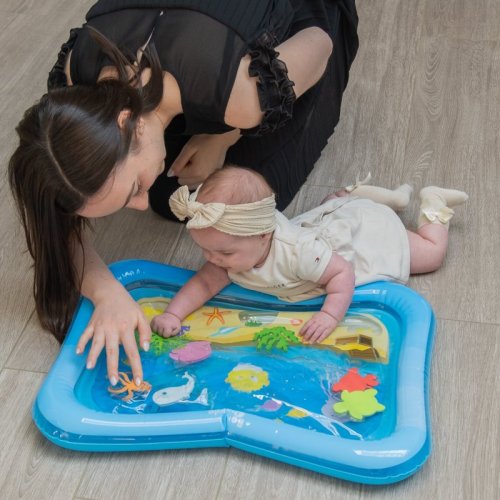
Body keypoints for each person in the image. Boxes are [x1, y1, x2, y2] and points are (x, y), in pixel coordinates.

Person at [8, 0, 359, 386]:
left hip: (309, 21)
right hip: (194, 54)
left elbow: (319, 42)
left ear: (128, 124)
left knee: (247, 199)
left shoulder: (241, 95)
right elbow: (58, 222)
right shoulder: (75, 85)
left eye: (134, 189)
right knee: (174, 195)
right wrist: (106, 291)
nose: (140, 204)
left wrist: (229, 131)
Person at [151, 166, 468, 342]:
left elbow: (342, 272)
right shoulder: (228, 252)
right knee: (332, 208)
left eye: (223, 252)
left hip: (361, 238)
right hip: (323, 226)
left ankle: (434, 205)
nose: (211, 259)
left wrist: (330, 315)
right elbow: (203, 284)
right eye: (204, 249)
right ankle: (357, 196)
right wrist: (173, 314)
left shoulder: (300, 253)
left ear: (263, 235)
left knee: (430, 255)